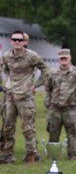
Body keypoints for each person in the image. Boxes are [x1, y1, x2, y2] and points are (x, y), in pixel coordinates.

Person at [0, 30, 50, 164]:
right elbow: (4, 69)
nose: (17, 42)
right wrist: (8, 84)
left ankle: (31, 154)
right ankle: (7, 155)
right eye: (14, 40)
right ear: (10, 41)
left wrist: (35, 85)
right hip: (10, 96)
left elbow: (45, 69)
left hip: (25, 97)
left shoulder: (31, 56)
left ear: (25, 42)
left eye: (19, 40)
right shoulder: (6, 56)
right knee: (7, 126)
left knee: (28, 127)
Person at [44, 48, 76, 160]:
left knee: (73, 134)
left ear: (70, 58)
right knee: (53, 133)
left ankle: (72, 156)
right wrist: (48, 102)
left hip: (71, 109)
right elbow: (48, 88)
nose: (63, 61)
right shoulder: (52, 73)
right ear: (58, 60)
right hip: (55, 108)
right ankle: (53, 156)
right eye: (61, 58)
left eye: (65, 58)